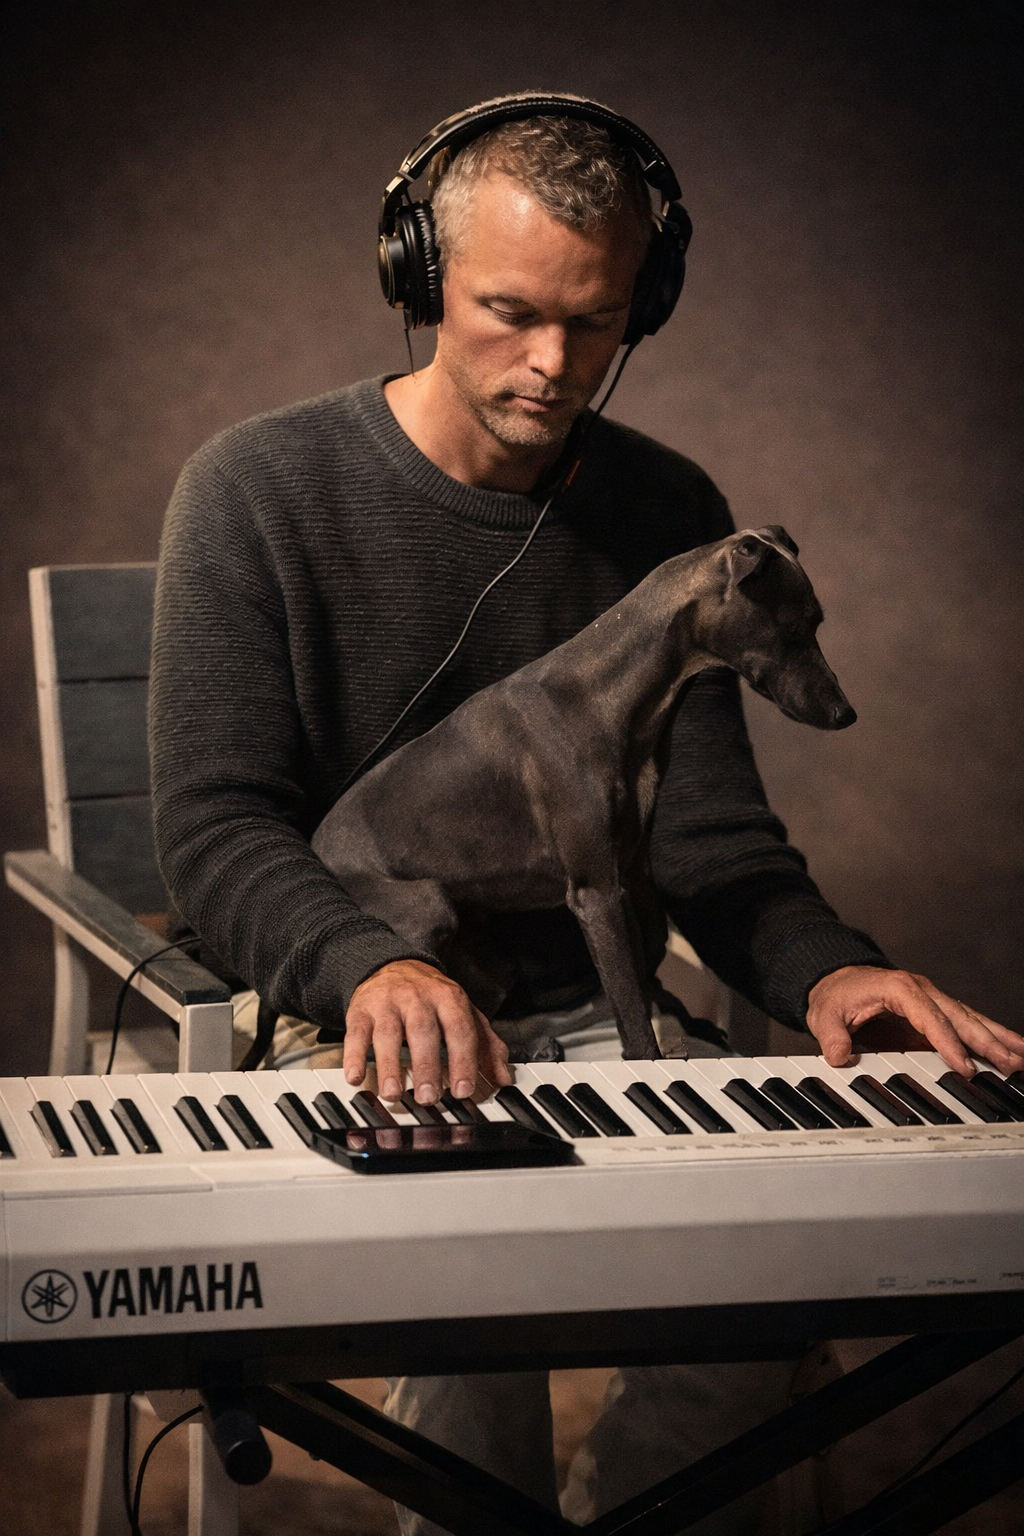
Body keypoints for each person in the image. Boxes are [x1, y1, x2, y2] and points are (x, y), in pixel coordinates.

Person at [149, 94, 1024, 1534]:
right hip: (353, 997)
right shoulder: (254, 491)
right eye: (507, 311)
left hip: (601, 1017)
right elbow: (217, 828)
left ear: (645, 304)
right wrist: (373, 962)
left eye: (599, 321)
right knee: (470, 1308)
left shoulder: (669, 508)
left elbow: (714, 847)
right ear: (418, 275)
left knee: (764, 1300)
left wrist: (827, 966)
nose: (555, 364)